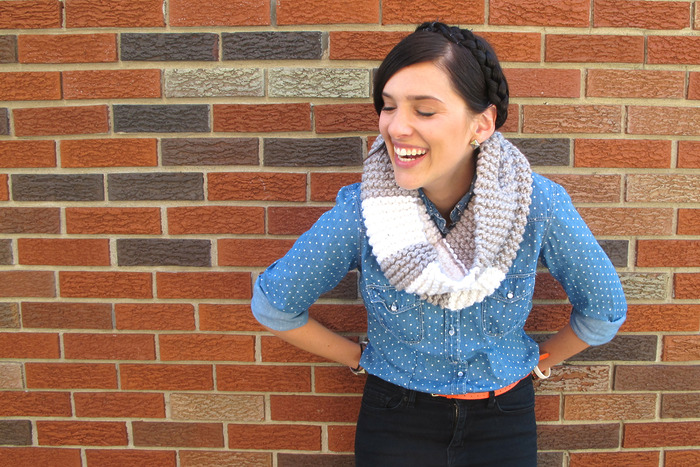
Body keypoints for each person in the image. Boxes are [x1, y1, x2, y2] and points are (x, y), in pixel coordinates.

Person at [251, 21, 626, 467]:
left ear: (481, 124)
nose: (396, 127)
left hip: (503, 420)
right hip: (395, 421)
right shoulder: (364, 211)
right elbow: (275, 304)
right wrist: (358, 359)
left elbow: (604, 308)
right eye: (388, 107)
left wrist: (539, 362)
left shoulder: (535, 204)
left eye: (424, 111)